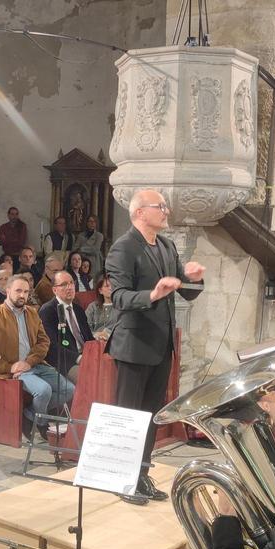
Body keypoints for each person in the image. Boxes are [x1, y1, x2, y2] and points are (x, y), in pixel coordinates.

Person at [106, 188, 205, 504]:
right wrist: (151, 294)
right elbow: (118, 296)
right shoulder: (123, 249)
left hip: (161, 347)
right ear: (139, 212)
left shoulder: (166, 245)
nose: (165, 210)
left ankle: (141, 474)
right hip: (133, 345)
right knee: (130, 416)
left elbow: (185, 291)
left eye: (165, 205)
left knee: (149, 416)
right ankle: (123, 479)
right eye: (158, 206)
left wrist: (194, 278)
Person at [0, 275, 75, 442]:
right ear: (7, 291)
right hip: (13, 370)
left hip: (35, 364)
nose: (23, 295)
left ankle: (29, 414)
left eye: (26, 292)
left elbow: (44, 341)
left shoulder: (32, 313)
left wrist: (29, 362)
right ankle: (42, 423)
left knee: (69, 389)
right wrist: (10, 367)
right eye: (18, 291)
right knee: (43, 390)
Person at [40, 270, 94, 383]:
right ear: (54, 290)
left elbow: (89, 338)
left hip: (86, 356)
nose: (69, 287)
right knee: (88, 378)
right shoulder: (48, 311)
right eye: (64, 284)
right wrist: (78, 358)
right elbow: (52, 347)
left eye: (71, 283)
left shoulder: (78, 309)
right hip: (65, 361)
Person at [85, 273, 117, 340]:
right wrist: (97, 335)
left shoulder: (120, 307)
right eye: (107, 286)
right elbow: (85, 328)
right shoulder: (92, 307)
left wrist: (107, 334)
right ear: (100, 291)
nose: (111, 288)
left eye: (113, 285)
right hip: (95, 343)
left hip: (115, 342)